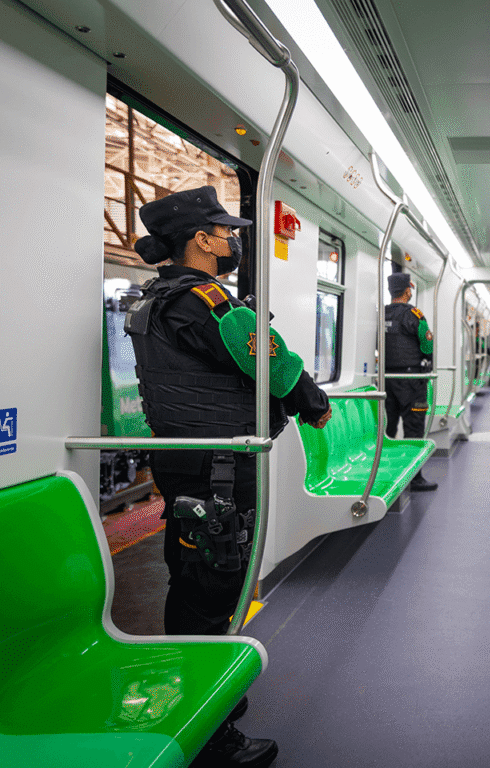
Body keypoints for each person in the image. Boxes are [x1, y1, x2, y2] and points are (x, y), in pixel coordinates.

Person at [126, 186, 334, 768]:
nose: (232, 238)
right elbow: (267, 360)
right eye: (225, 231)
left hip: (185, 461)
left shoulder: (155, 300)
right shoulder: (206, 300)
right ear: (200, 240)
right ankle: (207, 734)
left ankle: (205, 692)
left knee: (194, 576)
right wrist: (312, 401)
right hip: (219, 470)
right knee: (212, 588)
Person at [384, 272, 438, 491]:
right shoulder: (414, 314)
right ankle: (414, 478)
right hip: (411, 380)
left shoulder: (382, 314)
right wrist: (427, 364)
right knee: (413, 427)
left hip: (386, 379)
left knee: (388, 427)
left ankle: (389, 473)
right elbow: (426, 343)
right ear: (407, 291)